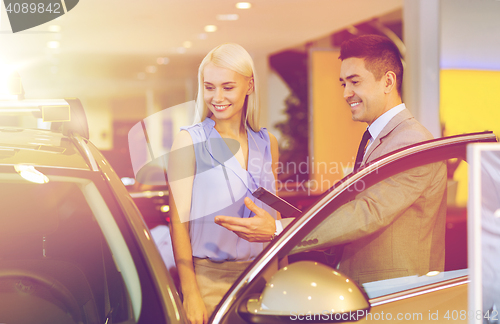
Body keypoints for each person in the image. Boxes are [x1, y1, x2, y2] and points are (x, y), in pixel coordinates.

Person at [215, 35, 447, 284]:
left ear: (388, 81)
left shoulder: (411, 140)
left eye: (354, 82)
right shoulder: (379, 138)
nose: (347, 93)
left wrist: (278, 230)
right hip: (369, 288)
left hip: (396, 293)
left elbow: (368, 213)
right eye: (343, 84)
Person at [167, 43, 280, 324]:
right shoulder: (190, 141)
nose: (217, 97)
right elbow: (178, 223)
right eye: (209, 87)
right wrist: (190, 292)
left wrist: (280, 279)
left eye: (227, 87)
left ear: (249, 86)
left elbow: (273, 217)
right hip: (209, 282)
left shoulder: (268, 143)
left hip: (265, 277)